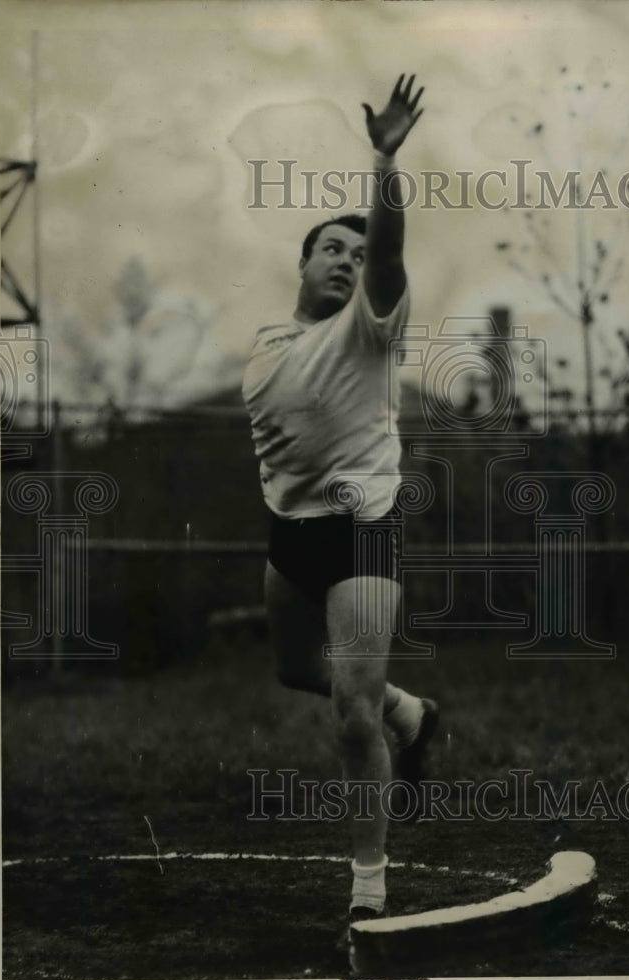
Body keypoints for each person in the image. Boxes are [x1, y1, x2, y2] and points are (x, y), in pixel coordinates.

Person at [242, 75, 438, 932]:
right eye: (334, 250)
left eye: (358, 257)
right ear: (304, 261)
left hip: (363, 529)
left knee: (350, 712)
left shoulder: (371, 323)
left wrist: (385, 159)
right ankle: (413, 711)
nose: (350, 262)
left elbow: (389, 250)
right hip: (289, 534)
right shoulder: (269, 342)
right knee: (296, 672)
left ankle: (368, 887)